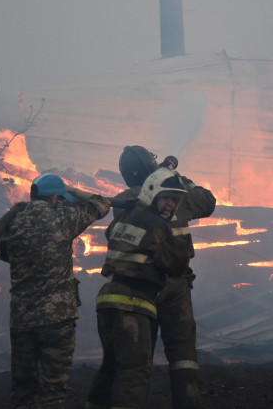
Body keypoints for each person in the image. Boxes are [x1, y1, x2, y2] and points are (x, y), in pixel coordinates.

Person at [114, 145, 216, 409]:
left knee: (137, 359)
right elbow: (208, 201)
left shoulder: (123, 201)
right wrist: (175, 177)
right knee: (183, 358)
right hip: (175, 286)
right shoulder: (177, 196)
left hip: (140, 288)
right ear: (151, 166)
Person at [0, 173, 111, 409]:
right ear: (55, 197)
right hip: (57, 321)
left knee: (23, 389)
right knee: (53, 390)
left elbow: (4, 254)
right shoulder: (63, 219)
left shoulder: (13, 222)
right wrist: (73, 190)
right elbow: (101, 204)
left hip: (22, 320)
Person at [85, 167, 192, 409]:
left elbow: (110, 234)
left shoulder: (124, 218)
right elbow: (177, 266)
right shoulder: (158, 226)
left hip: (107, 302)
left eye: (174, 200)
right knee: (135, 373)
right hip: (132, 305)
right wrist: (178, 239)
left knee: (110, 367)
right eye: (166, 198)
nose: (170, 205)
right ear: (151, 193)